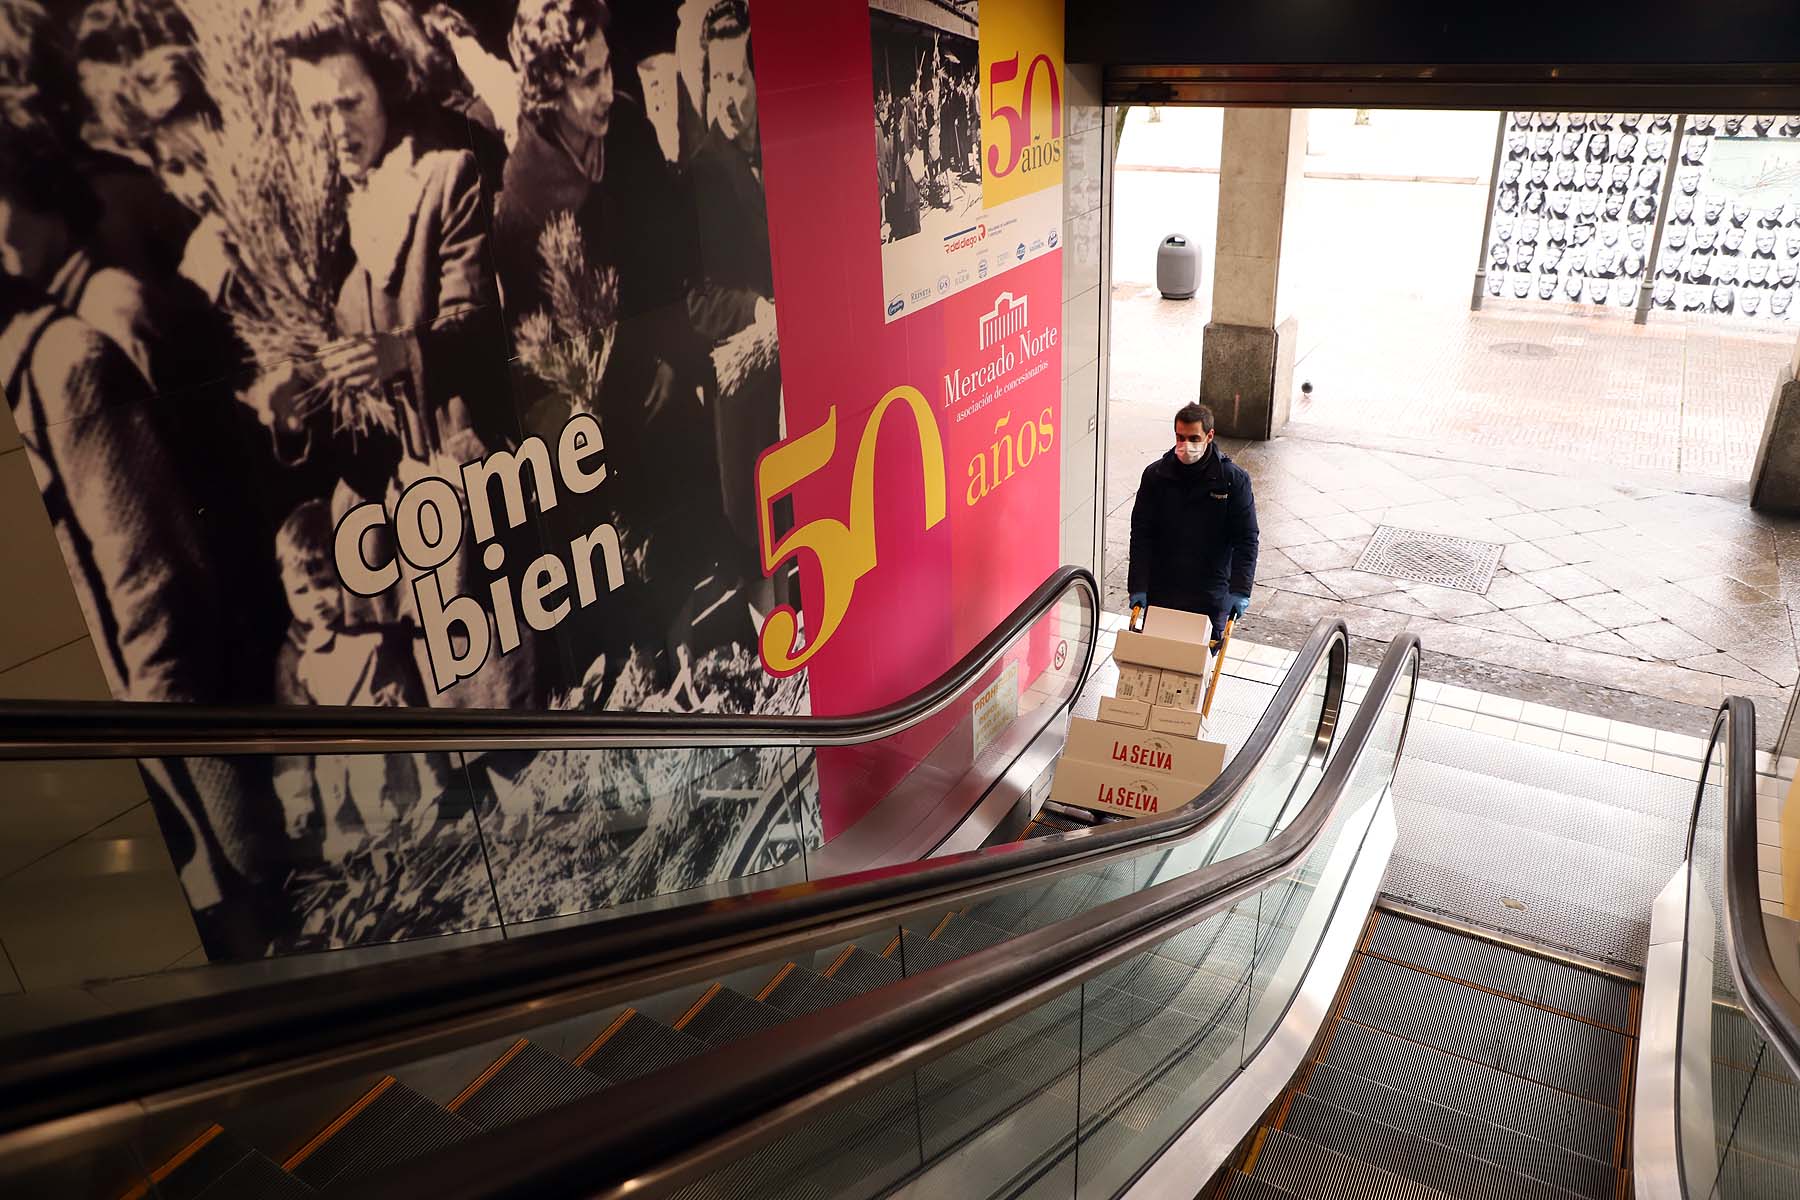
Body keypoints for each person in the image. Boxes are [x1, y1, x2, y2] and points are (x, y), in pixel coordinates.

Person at [271, 499, 450, 864]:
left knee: (417, 811)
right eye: (300, 592)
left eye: (323, 584)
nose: (315, 602)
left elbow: (415, 686)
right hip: (343, 760)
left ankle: (426, 851)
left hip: (393, 745)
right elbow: (291, 733)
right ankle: (380, 872)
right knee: (360, 830)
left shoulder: (374, 629)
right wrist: (296, 798)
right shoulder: (296, 654)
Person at [1127, 403, 1258, 640]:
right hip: (1163, 588)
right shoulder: (1156, 476)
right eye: (1180, 437)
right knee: (1155, 656)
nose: (1186, 445)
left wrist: (1239, 590)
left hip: (1209, 593)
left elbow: (1246, 539)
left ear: (1209, 436)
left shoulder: (1232, 481)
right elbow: (1141, 533)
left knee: (1200, 664)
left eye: (1194, 437)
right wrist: (1138, 585)